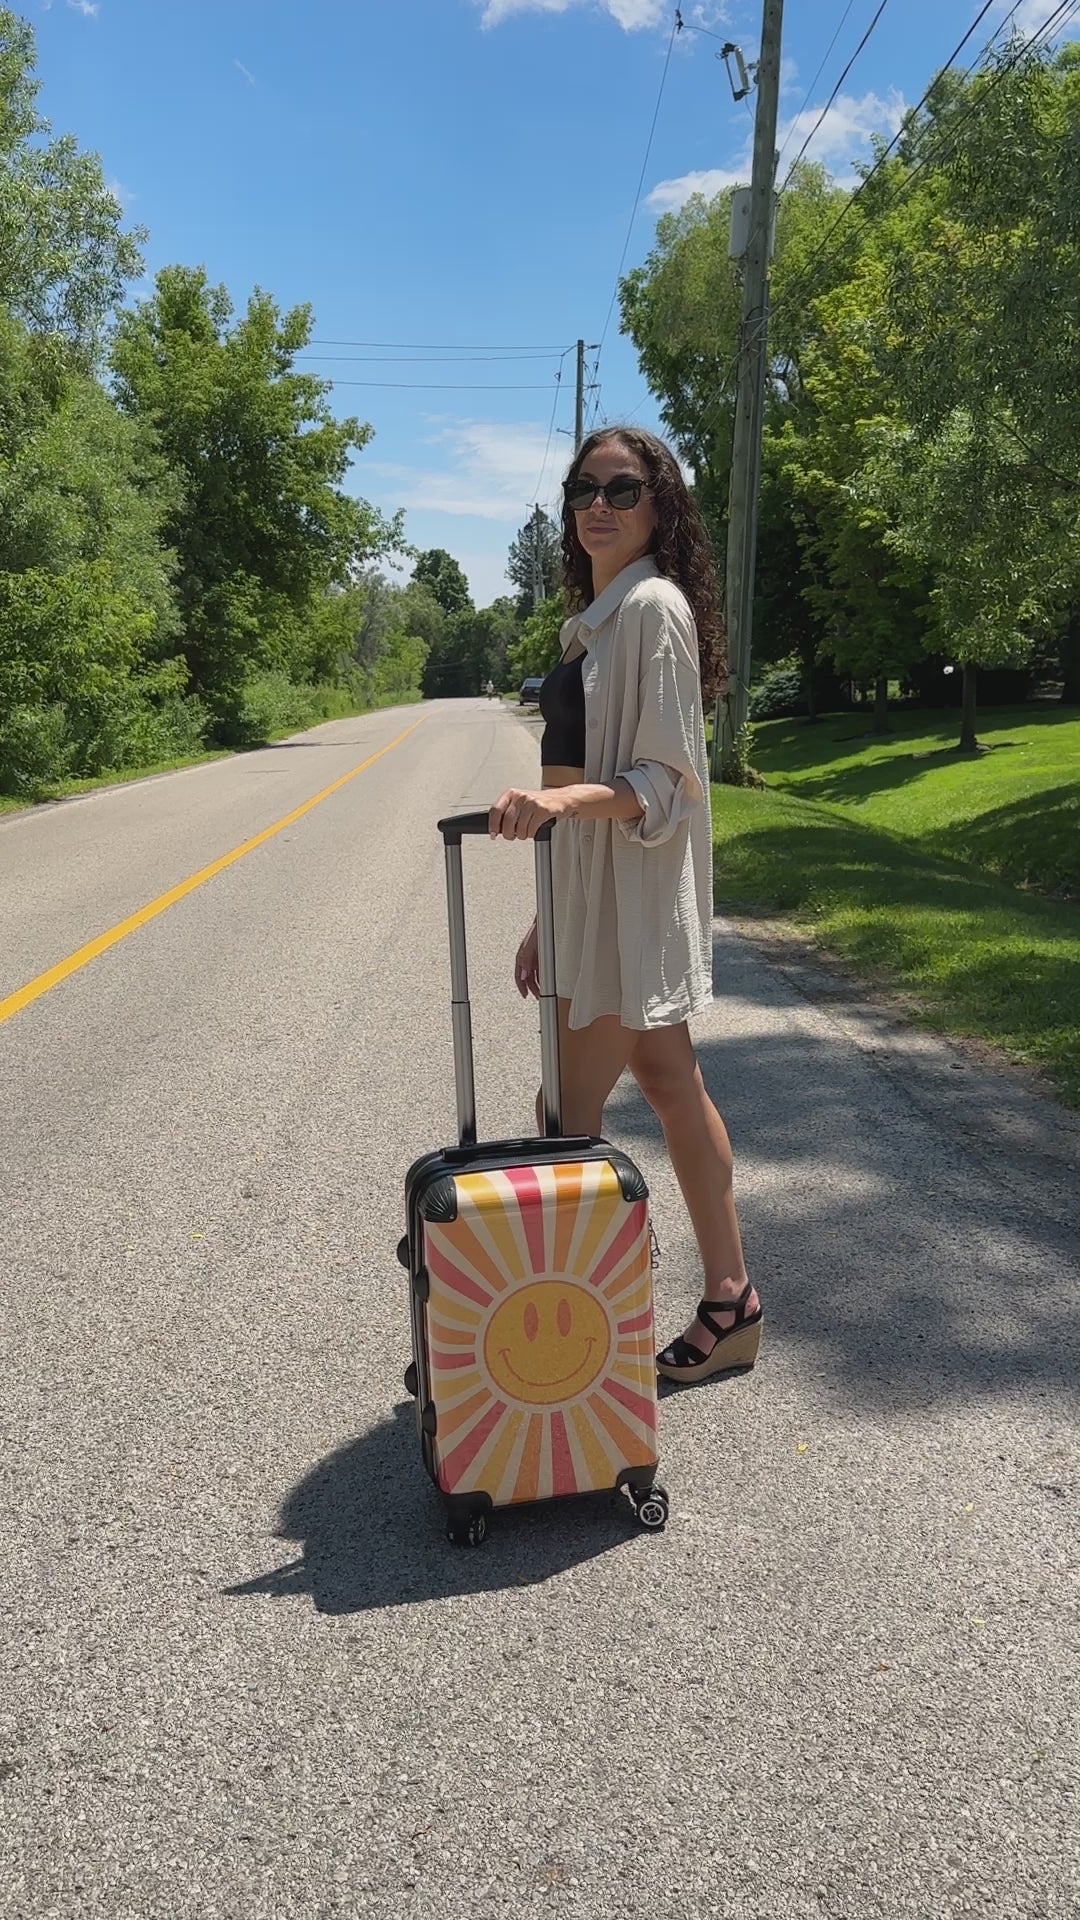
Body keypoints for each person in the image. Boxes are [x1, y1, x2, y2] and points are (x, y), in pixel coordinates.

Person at [488, 426, 763, 1386]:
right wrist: (543, 915)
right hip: (593, 901)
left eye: (622, 486)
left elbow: (663, 780)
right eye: (582, 488)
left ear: (660, 504)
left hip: (628, 905)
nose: (598, 503)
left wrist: (558, 803)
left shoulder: (655, 609)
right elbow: (589, 774)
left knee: (563, 1117)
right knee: (669, 1084)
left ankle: (575, 1334)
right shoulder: (597, 619)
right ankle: (729, 1301)